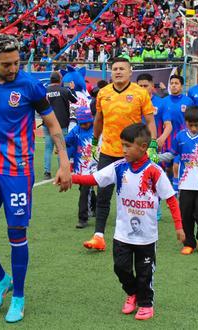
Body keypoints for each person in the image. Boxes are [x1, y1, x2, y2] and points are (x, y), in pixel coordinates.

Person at [0, 34, 72, 323]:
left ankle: (18, 296)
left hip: (18, 171)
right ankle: (1, 279)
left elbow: (52, 122)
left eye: (17, 62)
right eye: (7, 64)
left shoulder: (30, 85)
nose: (13, 69)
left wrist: (64, 160)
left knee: (16, 234)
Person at [71, 123, 185, 321]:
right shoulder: (119, 167)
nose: (123, 150)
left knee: (145, 273)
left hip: (147, 237)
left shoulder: (154, 171)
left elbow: (171, 200)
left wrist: (179, 227)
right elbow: (94, 179)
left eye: (127, 146)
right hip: (122, 234)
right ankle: (132, 293)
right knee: (120, 268)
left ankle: (146, 303)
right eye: (122, 145)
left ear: (142, 147)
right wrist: (71, 177)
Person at [84, 57, 157, 252]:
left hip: (133, 153)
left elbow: (150, 122)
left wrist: (152, 146)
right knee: (103, 194)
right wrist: (94, 141)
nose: (118, 72)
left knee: (136, 194)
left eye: (122, 69)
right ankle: (98, 235)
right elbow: (99, 120)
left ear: (130, 71)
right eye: (114, 69)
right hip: (108, 151)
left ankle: (141, 232)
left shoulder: (140, 93)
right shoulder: (103, 93)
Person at [159, 106, 198, 255]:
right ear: (185, 123)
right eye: (190, 125)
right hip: (185, 185)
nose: (193, 128)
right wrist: (155, 158)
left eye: (196, 125)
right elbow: (171, 155)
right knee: (185, 215)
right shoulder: (180, 137)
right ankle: (189, 243)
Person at [65, 106, 97, 229]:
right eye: (82, 124)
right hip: (81, 167)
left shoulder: (97, 129)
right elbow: (67, 141)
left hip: (95, 166)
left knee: (85, 192)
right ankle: (92, 209)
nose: (85, 125)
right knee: (84, 190)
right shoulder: (76, 130)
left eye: (87, 123)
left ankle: (83, 218)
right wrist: (62, 146)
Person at [44, 71, 77, 180]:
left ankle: (47, 172)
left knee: (48, 148)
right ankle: (61, 170)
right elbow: (75, 99)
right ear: (60, 80)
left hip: (47, 123)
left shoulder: (45, 91)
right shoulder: (64, 90)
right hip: (61, 123)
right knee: (61, 148)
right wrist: (72, 88)